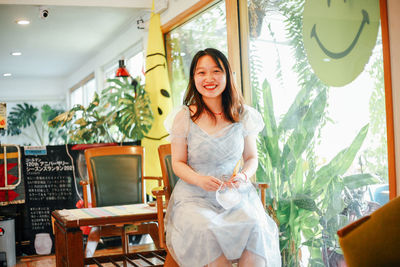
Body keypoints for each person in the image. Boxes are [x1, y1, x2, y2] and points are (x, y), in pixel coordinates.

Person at [164, 48, 281, 267]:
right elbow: (177, 163)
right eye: (201, 73)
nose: (209, 78)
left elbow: (252, 158)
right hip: (193, 197)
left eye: (216, 71)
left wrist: (244, 177)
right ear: (194, 78)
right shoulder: (184, 117)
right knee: (205, 229)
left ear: (227, 75)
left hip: (234, 195)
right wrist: (200, 180)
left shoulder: (243, 115)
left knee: (256, 226)